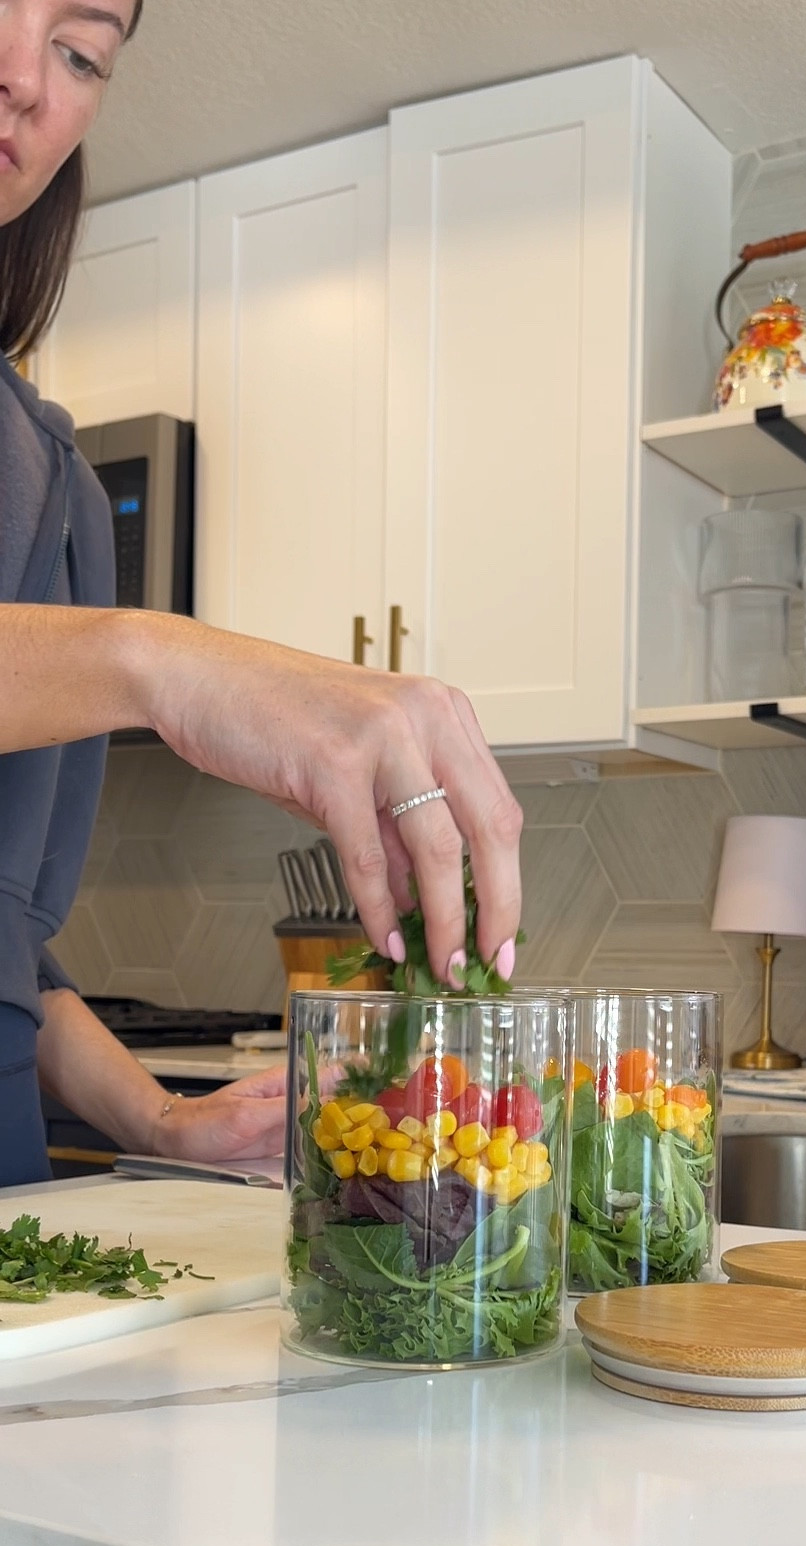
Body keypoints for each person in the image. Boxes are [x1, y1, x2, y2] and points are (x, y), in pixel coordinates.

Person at [0, 0, 524, 1188]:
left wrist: (154, 1117)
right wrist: (157, 661)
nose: (25, 77)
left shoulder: (55, 486)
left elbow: (8, 939)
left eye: (82, 52)